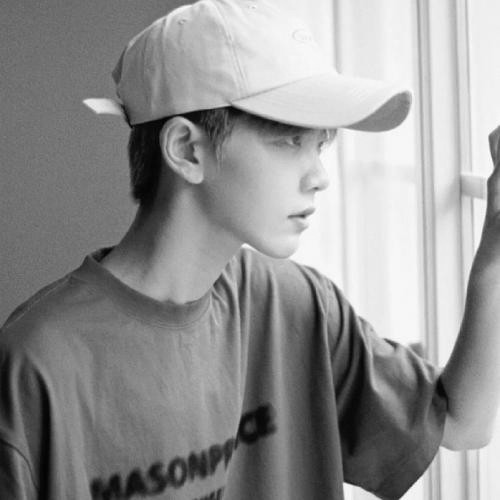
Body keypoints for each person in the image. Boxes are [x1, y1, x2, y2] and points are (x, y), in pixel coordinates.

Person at [1, 0, 500, 498]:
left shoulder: (295, 304)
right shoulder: (37, 365)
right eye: (289, 141)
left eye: (320, 144)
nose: (320, 176)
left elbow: (461, 423)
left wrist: (494, 259)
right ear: (186, 150)